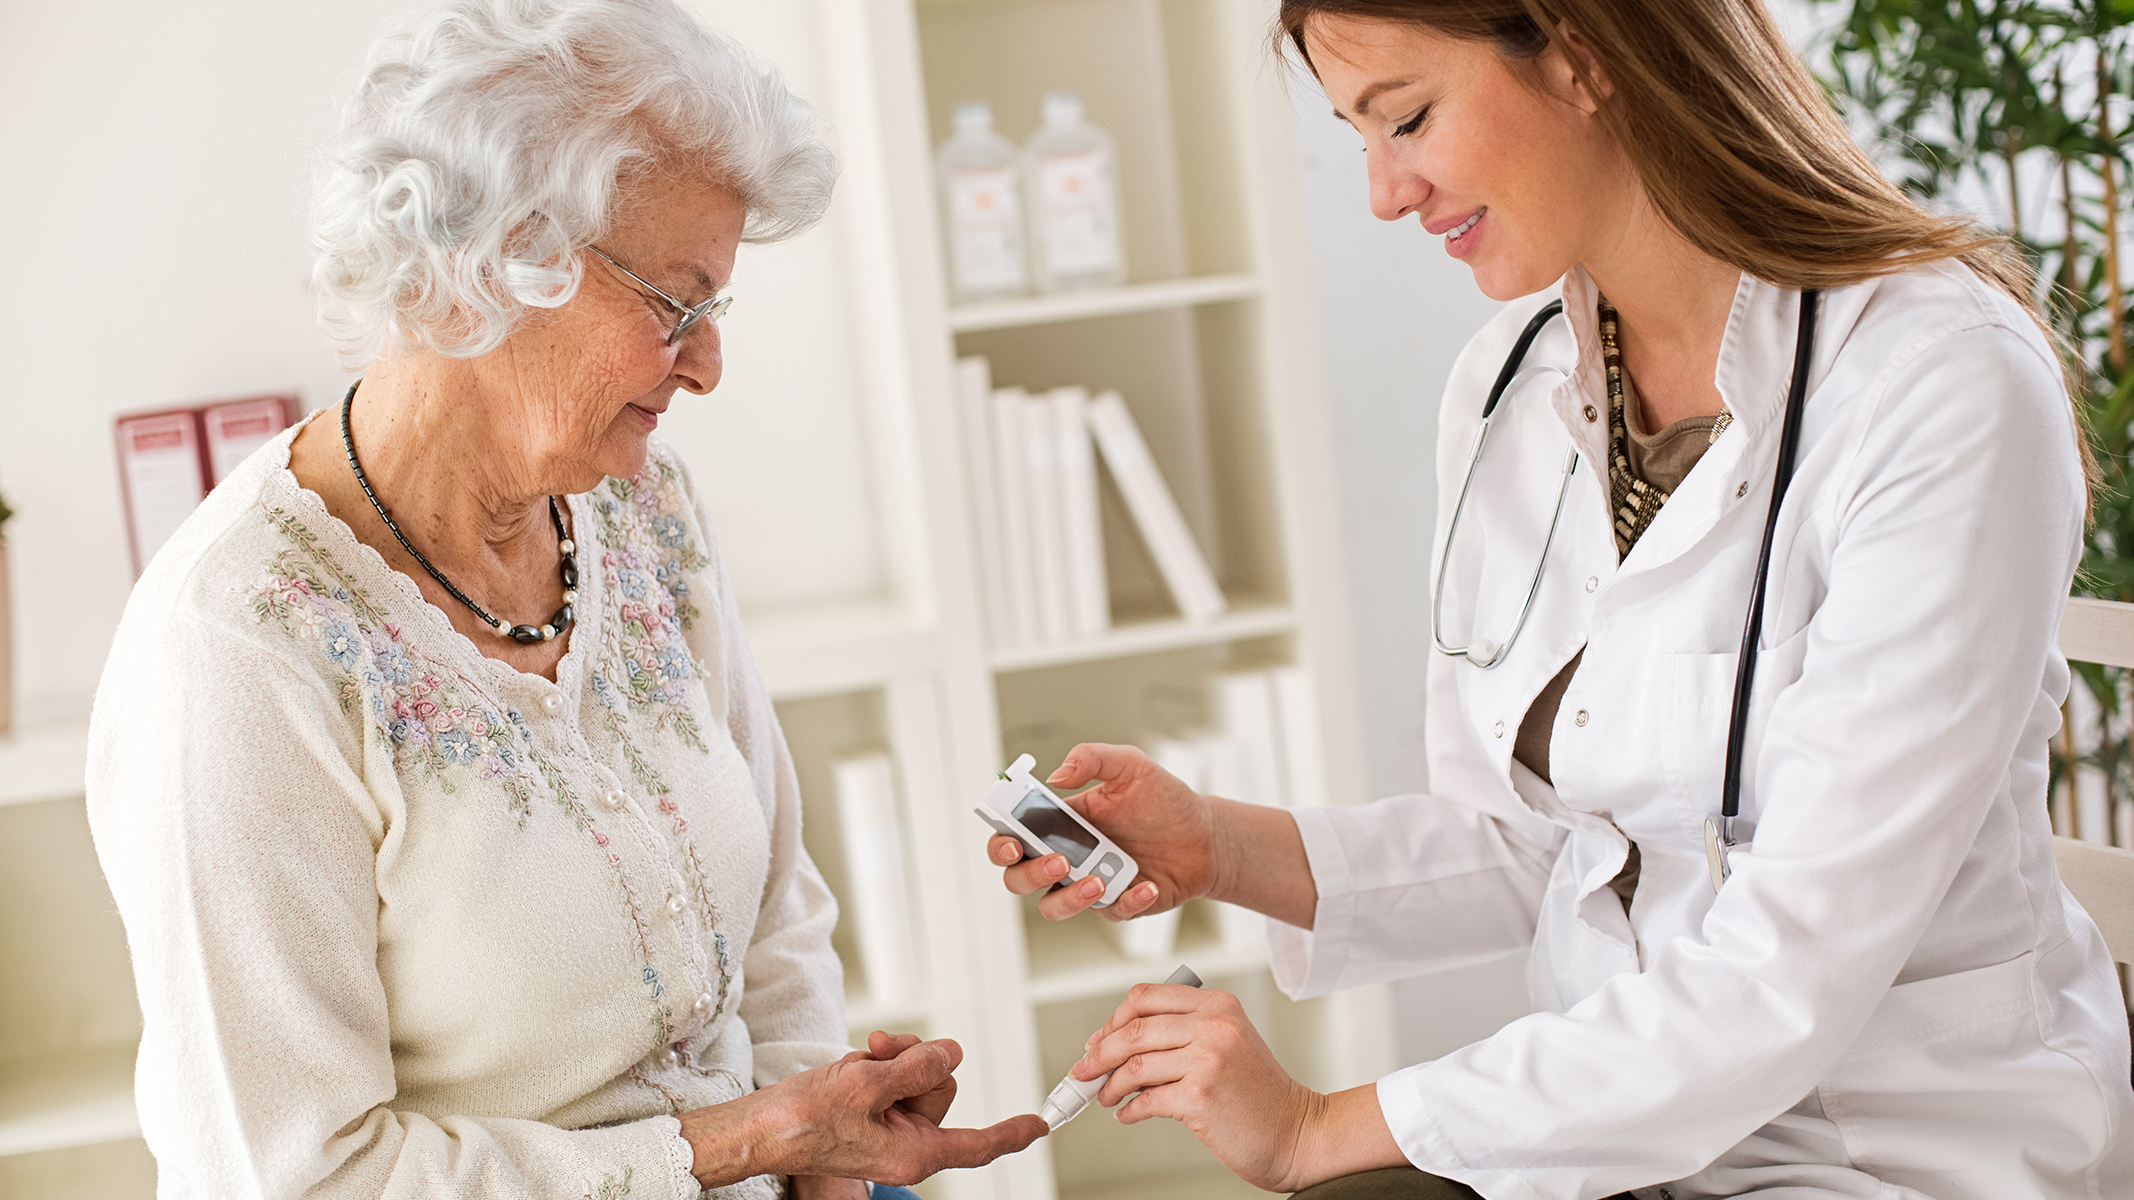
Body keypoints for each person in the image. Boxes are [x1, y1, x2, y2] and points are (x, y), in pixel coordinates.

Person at [986, 1, 2134, 1197]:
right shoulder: (1509, 387)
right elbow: (1546, 839)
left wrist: (1321, 1124)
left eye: (1408, 119)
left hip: (1894, 1149)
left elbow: (1793, 964)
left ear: (1583, 53)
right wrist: (1220, 846)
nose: (1383, 193)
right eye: (1358, 139)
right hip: (1611, 1143)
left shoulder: (1936, 382)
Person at [85, 2, 1044, 1197]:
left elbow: (778, 911)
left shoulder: (639, 508)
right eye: (672, 305)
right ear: (495, 260)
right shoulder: (237, 647)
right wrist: (752, 1141)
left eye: (716, 311)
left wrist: (830, 1159)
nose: (705, 365)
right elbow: (291, 1176)